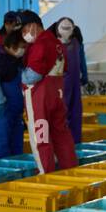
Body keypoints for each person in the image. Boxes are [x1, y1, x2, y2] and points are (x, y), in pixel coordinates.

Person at [19, 10, 78, 172]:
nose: (25, 35)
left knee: (41, 138)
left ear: (33, 26)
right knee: (61, 135)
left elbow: (33, 75)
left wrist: (20, 76)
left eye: (25, 30)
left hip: (39, 97)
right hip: (57, 94)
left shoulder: (40, 44)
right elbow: (64, 69)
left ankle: (47, 177)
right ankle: (71, 173)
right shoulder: (57, 43)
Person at [0, 34, 27, 158]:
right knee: (0, 140)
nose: (23, 50)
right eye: (22, 47)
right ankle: (3, 174)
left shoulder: (14, 58)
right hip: (0, 107)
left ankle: (17, 173)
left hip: (14, 111)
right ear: (12, 46)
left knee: (16, 142)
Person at [50, 18, 87, 142]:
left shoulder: (77, 43)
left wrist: (85, 75)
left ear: (73, 29)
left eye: (68, 28)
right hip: (60, 85)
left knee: (76, 115)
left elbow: (82, 61)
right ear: (57, 29)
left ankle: (75, 142)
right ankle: (62, 143)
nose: (66, 31)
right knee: (62, 114)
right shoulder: (53, 44)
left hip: (75, 84)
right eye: (63, 28)